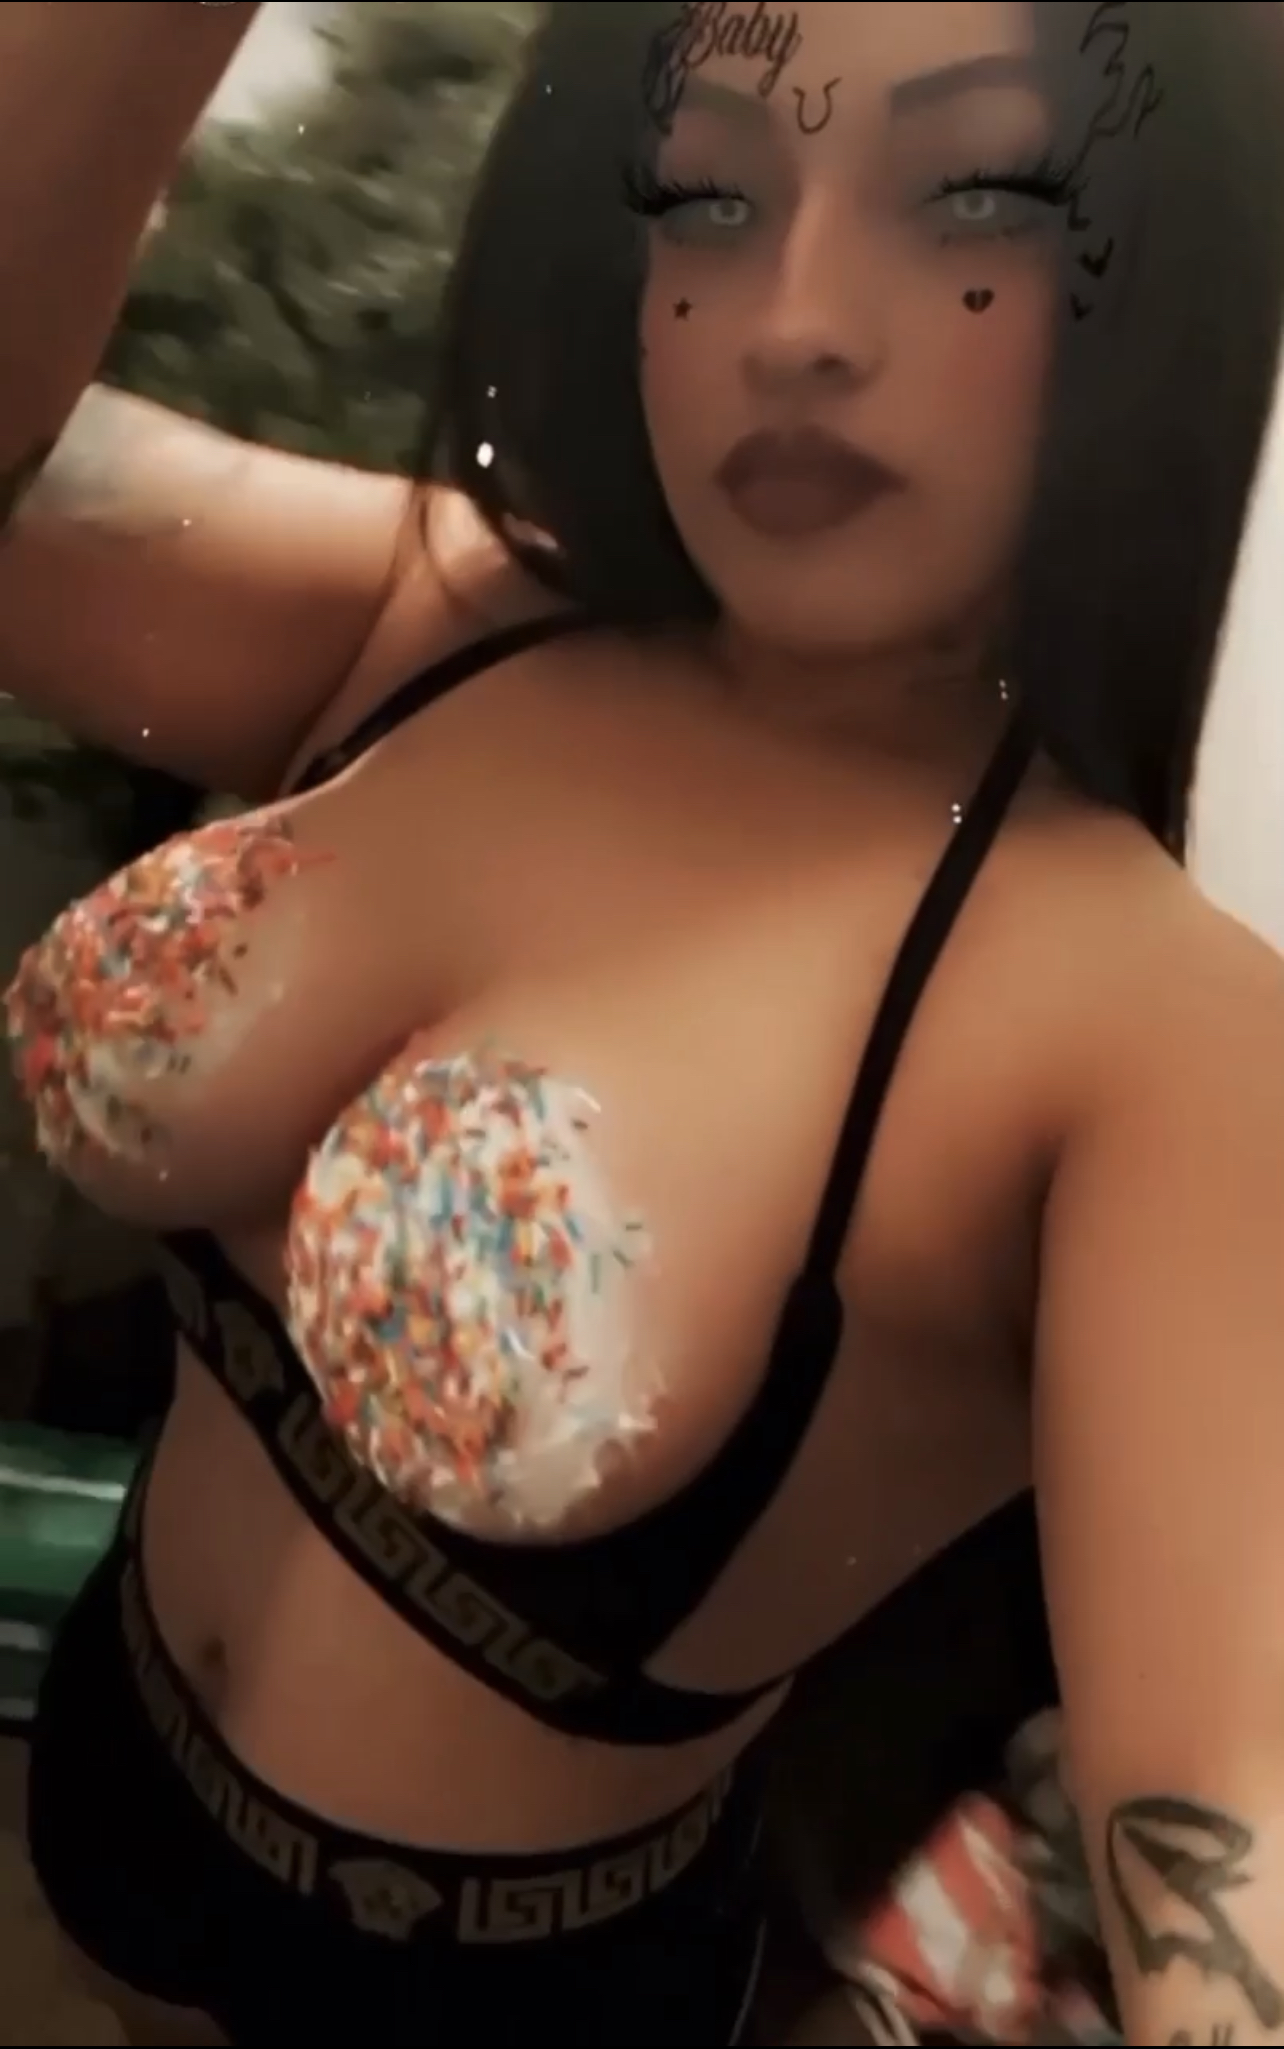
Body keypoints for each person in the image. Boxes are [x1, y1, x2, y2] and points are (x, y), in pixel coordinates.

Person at [0, 1, 1283, 2042]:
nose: (795, 322)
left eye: (973, 195)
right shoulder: (440, 615)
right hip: (94, 1775)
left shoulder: (1152, 1027)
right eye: (711, 197)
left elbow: (1225, 1801)